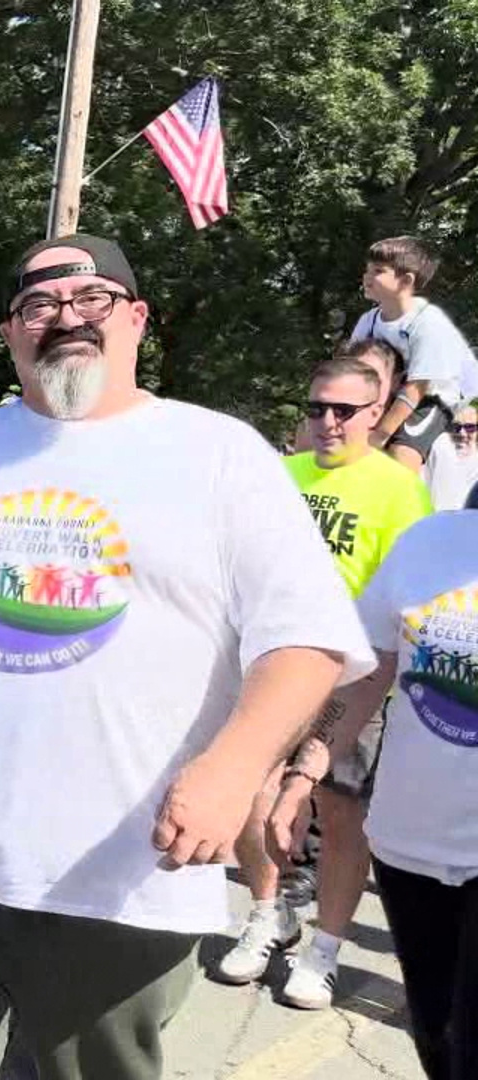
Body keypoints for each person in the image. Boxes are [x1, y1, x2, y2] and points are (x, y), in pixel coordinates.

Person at [0, 233, 373, 1080]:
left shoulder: (220, 453)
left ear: (137, 318)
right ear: (11, 333)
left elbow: (307, 640)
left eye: (91, 300)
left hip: (124, 876)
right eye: (38, 305)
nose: (65, 319)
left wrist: (232, 769)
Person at [213, 341, 433, 1006]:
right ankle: (267, 913)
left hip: (355, 675)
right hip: (272, 666)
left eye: (345, 410)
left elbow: (406, 598)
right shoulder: (284, 474)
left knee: (340, 813)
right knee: (251, 797)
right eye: (318, 408)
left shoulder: (400, 490)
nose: (329, 421)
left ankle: (327, 947)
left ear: (375, 414)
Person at [265, 509, 478, 1080]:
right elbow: (366, 676)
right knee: (436, 1034)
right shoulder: (429, 543)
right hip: (409, 845)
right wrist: (303, 776)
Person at [352, 236, 478, 473]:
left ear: (405, 281)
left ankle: (406, 504)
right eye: (366, 269)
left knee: (401, 453)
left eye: (378, 271)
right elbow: (349, 371)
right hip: (390, 392)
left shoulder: (426, 322)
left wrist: (379, 436)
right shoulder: (367, 321)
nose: (367, 277)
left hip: (433, 397)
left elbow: (416, 388)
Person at [425, 405, 478, 511]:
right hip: (431, 516)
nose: (462, 433)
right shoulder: (441, 443)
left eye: (469, 428)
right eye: (456, 427)